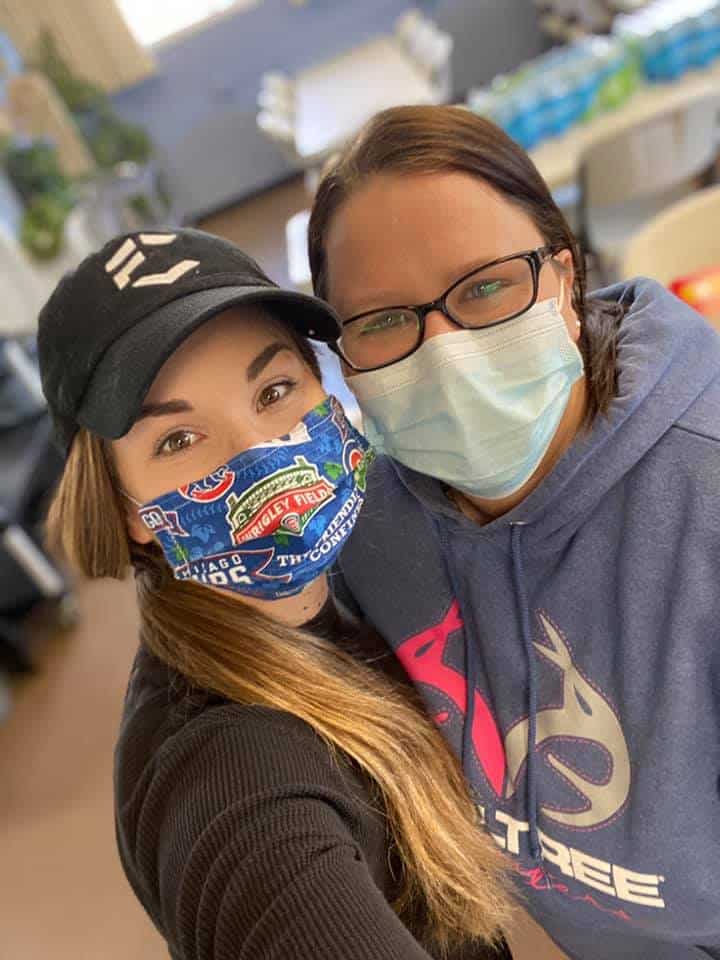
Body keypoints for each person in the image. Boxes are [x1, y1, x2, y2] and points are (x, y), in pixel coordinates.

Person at [307, 105, 720, 960]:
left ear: (564, 279)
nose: (446, 352)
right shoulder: (368, 536)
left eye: (486, 286)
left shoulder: (702, 498)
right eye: (382, 320)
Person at [36, 228, 514, 960]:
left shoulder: (342, 588)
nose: (260, 452)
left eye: (275, 390)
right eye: (177, 440)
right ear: (127, 509)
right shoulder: (229, 775)